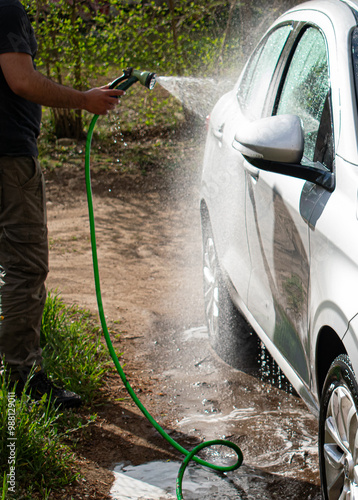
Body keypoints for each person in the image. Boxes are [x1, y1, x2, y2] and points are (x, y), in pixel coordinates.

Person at [0, 0, 124, 408]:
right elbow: (20, 80)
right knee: (24, 266)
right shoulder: (6, 10)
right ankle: (21, 379)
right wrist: (84, 100)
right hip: (9, 159)